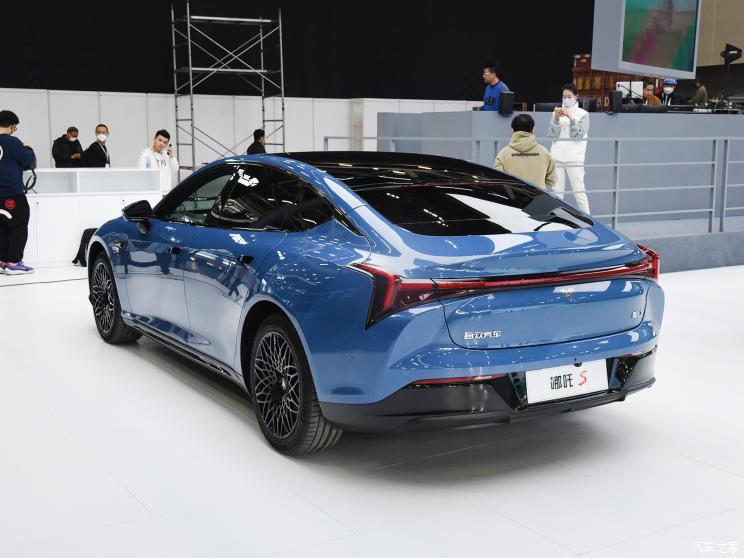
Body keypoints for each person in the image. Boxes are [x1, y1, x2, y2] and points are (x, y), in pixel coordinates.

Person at [0, 110, 36, 275]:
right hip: (12, 193)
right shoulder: (13, 142)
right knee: (18, 226)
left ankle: (2, 261)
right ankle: (14, 263)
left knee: (1, 227)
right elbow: (28, 159)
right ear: (12, 126)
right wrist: (27, 147)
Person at [547, 83, 591, 214]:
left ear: (576, 96)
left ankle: (589, 220)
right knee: (556, 194)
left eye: (569, 96)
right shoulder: (555, 112)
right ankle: (556, 219)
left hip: (574, 158)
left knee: (579, 192)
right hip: (557, 157)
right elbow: (551, 135)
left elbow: (577, 135)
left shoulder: (583, 114)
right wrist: (556, 119)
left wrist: (571, 118)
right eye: (564, 96)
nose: (566, 99)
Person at [494, 114, 556, 189]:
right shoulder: (544, 153)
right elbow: (552, 181)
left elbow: (498, 182)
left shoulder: (503, 154)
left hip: (512, 195)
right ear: (533, 130)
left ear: (512, 130)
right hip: (538, 195)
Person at [137, 129, 179, 195]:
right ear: (154, 139)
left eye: (165, 142)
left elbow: (176, 169)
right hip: (152, 193)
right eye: (160, 140)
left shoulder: (167, 155)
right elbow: (142, 175)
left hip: (166, 193)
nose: (161, 143)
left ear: (167, 144)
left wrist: (171, 157)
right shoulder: (146, 155)